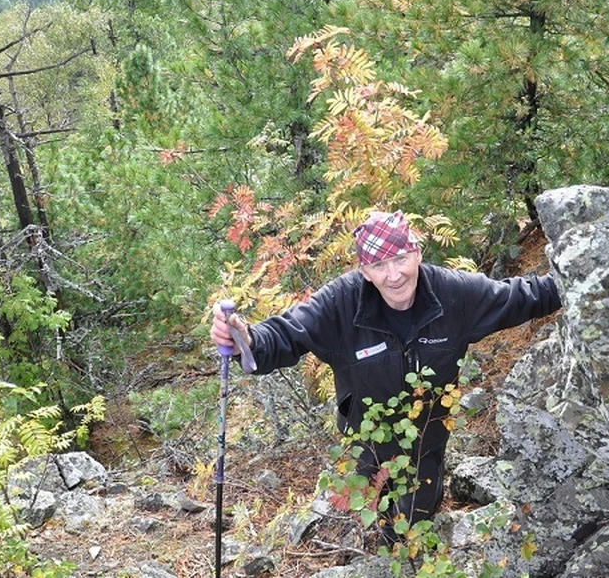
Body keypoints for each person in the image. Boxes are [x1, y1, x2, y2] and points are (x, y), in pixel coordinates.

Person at [210, 210, 562, 545]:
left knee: (414, 528)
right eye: (379, 265)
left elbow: (519, 298)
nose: (394, 275)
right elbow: (287, 334)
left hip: (427, 440)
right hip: (367, 439)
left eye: (401, 259)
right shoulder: (342, 303)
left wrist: (574, 279)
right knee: (374, 514)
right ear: (365, 271)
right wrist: (246, 339)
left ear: (417, 254)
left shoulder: (454, 294)